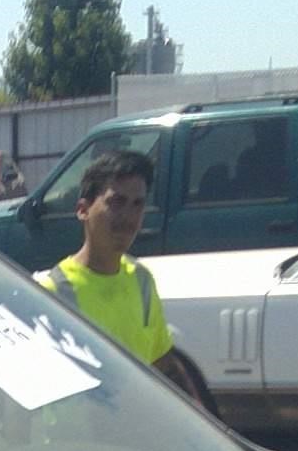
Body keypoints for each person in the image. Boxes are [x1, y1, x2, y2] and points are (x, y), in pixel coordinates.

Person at [33, 148, 208, 407]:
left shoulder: (141, 280)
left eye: (137, 204)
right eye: (116, 202)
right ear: (83, 210)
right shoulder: (54, 292)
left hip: (134, 437)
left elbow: (163, 363)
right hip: (77, 442)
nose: (128, 216)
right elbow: (37, 390)